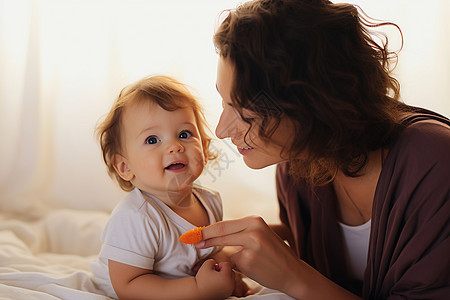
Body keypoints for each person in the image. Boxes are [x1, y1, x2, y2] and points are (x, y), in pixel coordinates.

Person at [195, 0, 450, 299]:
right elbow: (317, 248)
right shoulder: (296, 168)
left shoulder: (435, 164)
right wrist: (249, 248)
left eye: (247, 115)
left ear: (312, 105)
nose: (221, 130)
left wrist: (294, 278)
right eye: (225, 102)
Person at [90, 75, 250, 299]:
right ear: (125, 166)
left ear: (203, 147)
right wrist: (199, 290)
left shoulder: (210, 201)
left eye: (184, 134)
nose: (174, 146)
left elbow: (209, 254)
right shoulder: (137, 217)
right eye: (153, 140)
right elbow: (128, 285)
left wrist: (225, 271)